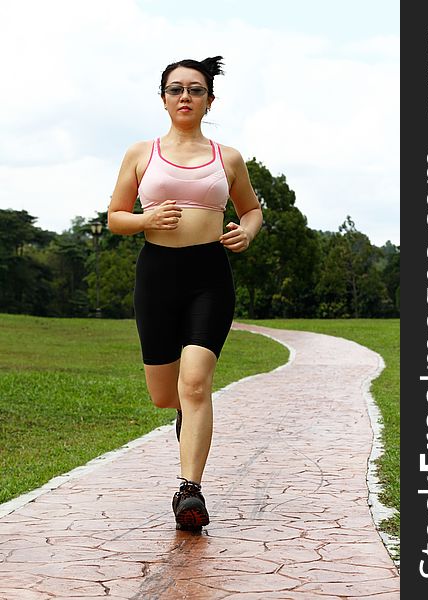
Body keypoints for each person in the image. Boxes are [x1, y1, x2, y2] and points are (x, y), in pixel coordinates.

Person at [108, 56, 262, 531]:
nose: (185, 97)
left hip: (208, 276)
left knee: (195, 383)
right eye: (176, 89)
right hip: (157, 275)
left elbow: (252, 210)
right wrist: (146, 219)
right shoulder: (141, 153)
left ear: (209, 100)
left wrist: (247, 232)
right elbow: (115, 217)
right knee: (165, 394)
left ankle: (189, 491)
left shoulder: (228, 157)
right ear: (163, 99)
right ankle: (184, 416)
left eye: (195, 90)